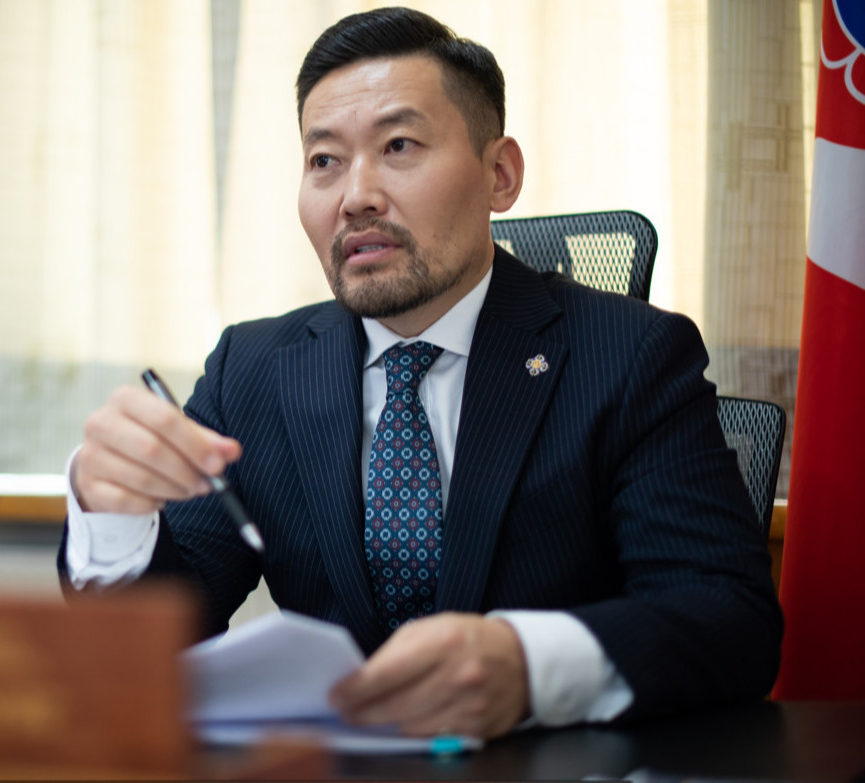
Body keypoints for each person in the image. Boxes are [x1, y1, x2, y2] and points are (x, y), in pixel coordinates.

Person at [59, 6, 781, 739]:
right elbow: (157, 641)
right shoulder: (253, 370)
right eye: (324, 161)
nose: (356, 196)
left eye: (399, 145)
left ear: (499, 175)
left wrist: (526, 664)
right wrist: (111, 513)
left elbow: (729, 619)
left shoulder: (630, 354)